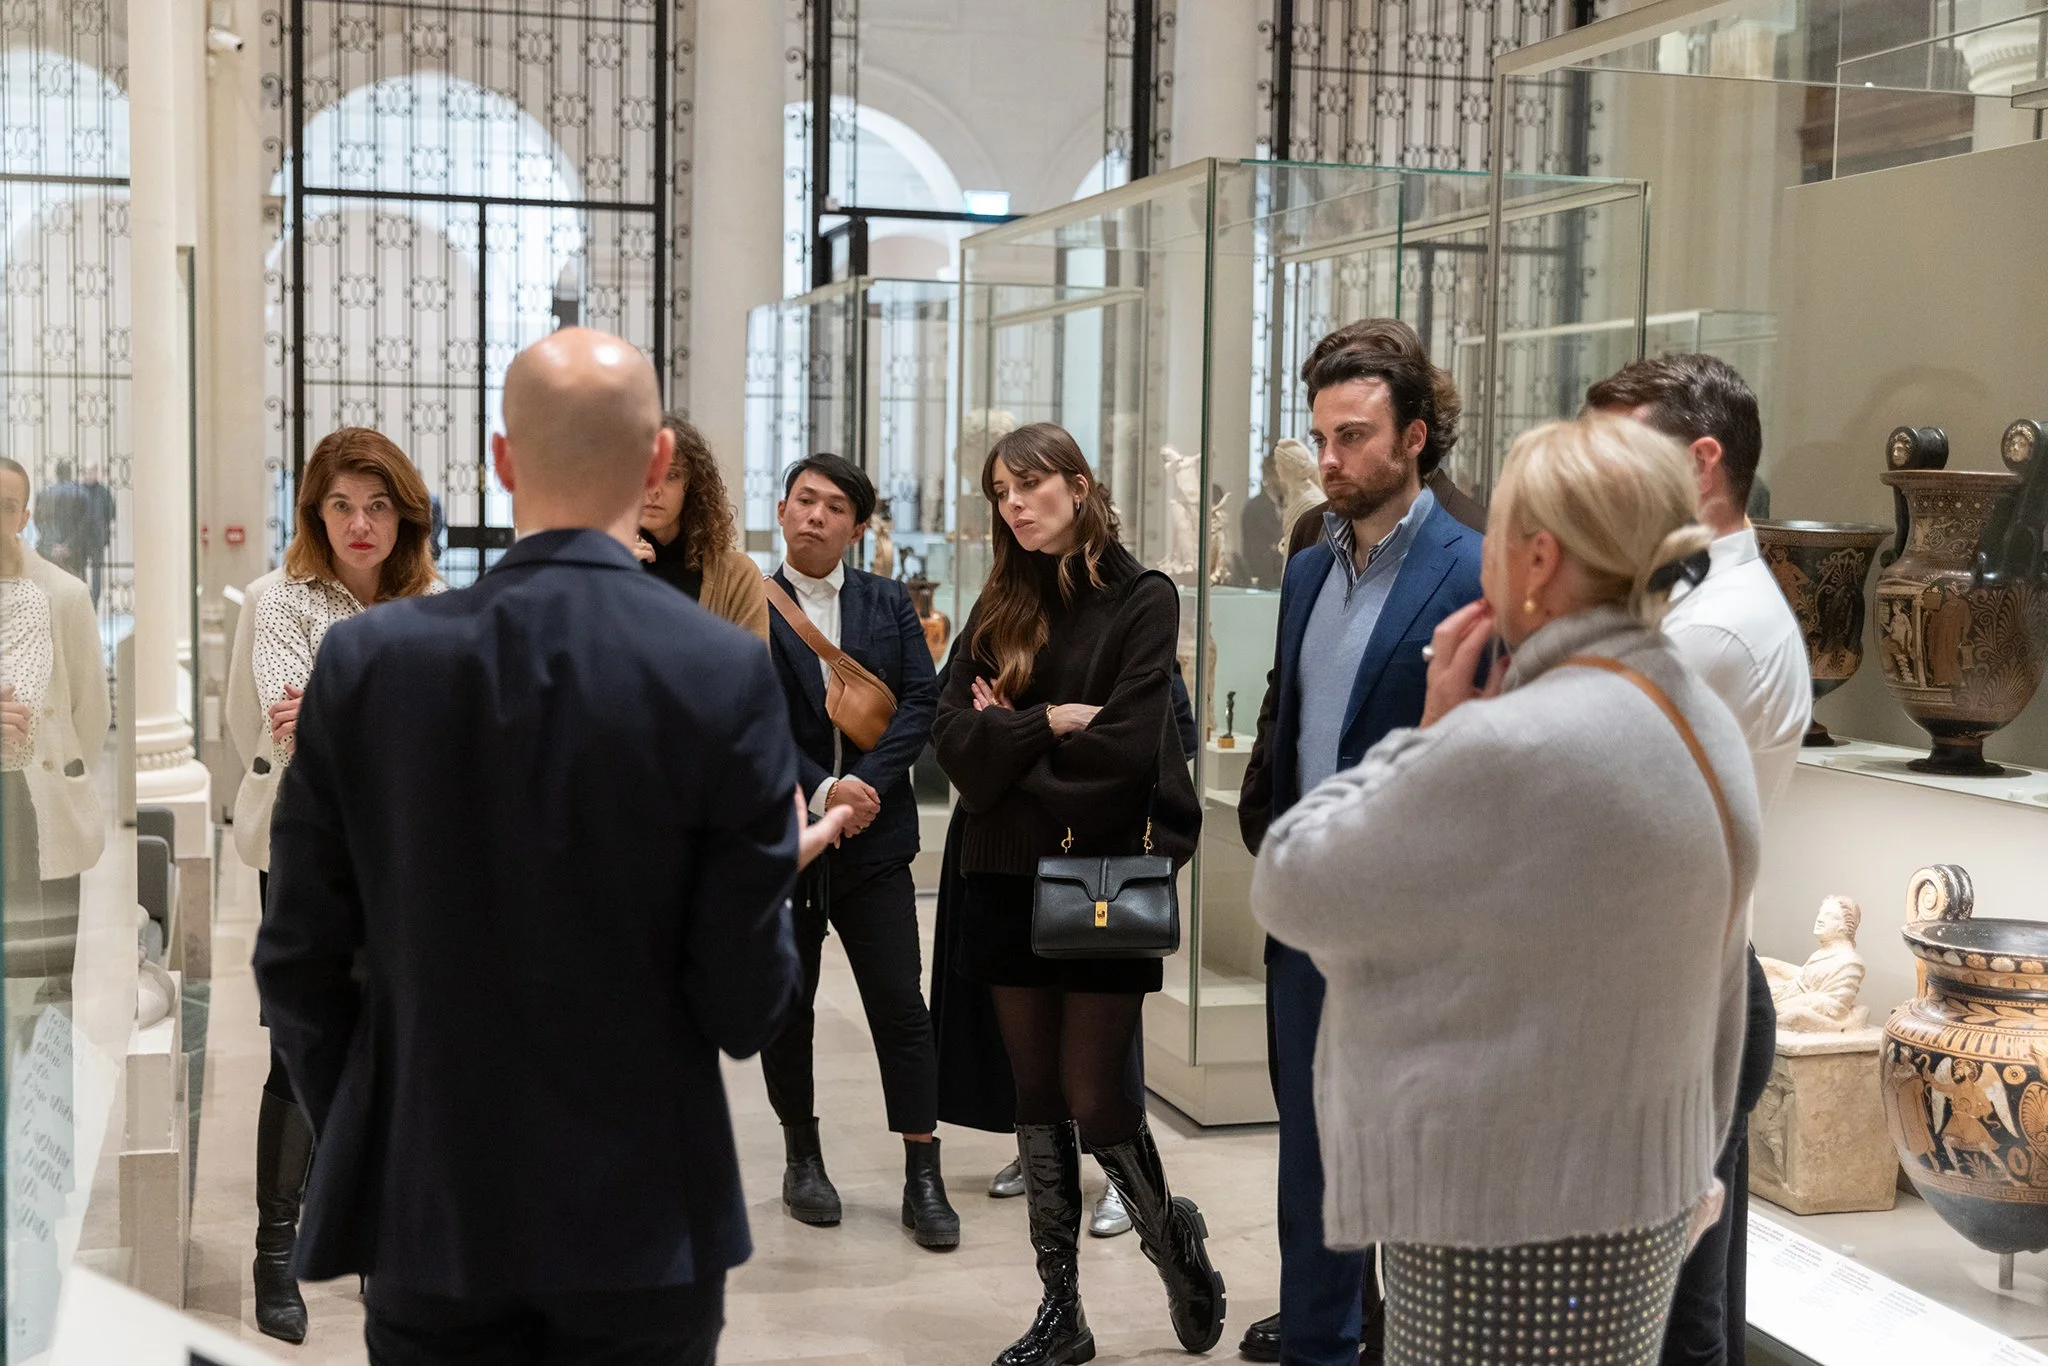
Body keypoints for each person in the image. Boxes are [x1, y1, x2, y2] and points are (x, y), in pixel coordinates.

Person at [253, 328, 849, 1364]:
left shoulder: (369, 662)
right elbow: (744, 1005)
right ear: (657, 460)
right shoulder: (717, 671)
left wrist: (384, 1121)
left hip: (429, 1203)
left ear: (501, 460)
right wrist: (767, 871)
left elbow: (297, 959)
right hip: (643, 1215)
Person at [1252, 412, 1761, 1366]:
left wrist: (1436, 729)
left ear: (1534, 562)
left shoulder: (1517, 742)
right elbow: (1727, 986)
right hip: (1643, 1191)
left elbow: (1293, 881)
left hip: (1504, 1201)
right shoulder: (1696, 715)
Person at [933, 421, 1223, 1366]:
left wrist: (1006, 748)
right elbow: (948, 736)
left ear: (1081, 485)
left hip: (1101, 873)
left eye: (1031, 486)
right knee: (1035, 1097)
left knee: (1099, 1098)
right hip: (1002, 878)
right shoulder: (997, 602)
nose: (1015, 507)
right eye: (1001, 494)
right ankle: (1063, 1310)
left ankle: (1174, 1244)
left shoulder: (1142, 599)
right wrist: (1047, 723)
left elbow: (1130, 750)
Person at [1236, 318, 1484, 1366]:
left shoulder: (1474, 572)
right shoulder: (1303, 567)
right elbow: (1288, 722)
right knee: (1312, 1169)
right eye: (1318, 435)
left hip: (1418, 937)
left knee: (1414, 1175)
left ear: (1414, 437)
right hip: (1307, 927)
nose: (1326, 460)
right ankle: (1318, 1346)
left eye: (1350, 437)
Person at [1587, 355, 1809, 1366]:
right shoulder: (1686, 600)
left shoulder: (1711, 626)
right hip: (1682, 988)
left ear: (1702, 461)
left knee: (1672, 1322)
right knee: (1678, 1307)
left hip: (1677, 1002)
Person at [234, 426, 444, 1345]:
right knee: (299, 1043)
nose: (361, 524)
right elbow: (293, 732)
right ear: (316, 513)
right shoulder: (280, 599)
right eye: (341, 505)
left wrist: (342, 704)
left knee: (392, 1044)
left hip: (408, 851)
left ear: (405, 515)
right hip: (309, 848)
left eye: (379, 505)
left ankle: (374, 1241)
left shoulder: (436, 602)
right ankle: (276, 1251)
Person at [759, 451, 957, 1247]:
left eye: (834, 506)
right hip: (792, 841)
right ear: (781, 512)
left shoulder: (885, 600)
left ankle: (923, 1172)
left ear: (856, 526)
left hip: (877, 841)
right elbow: (747, 711)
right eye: (803, 501)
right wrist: (823, 789)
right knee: (788, 1008)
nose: (815, 515)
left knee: (901, 1009)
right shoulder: (750, 602)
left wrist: (866, 783)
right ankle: (801, 1159)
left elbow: (921, 697)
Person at [0, 457, 108, 985]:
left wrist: (60, 767)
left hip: (42, 798)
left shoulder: (65, 594)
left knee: (48, 982)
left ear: (24, 516)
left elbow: (90, 712)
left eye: (7, 507)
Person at [631, 413, 769, 640]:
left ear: (693, 486)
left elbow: (751, 672)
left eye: (671, 475)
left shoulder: (737, 575)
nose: (654, 488)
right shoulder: (597, 567)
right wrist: (614, 573)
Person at [30, 460, 90, 581]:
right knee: (75, 587)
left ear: (56, 473)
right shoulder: (82, 493)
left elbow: (39, 521)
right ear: (71, 473)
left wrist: (52, 545)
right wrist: (69, 546)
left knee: (51, 585)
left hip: (50, 550)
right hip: (75, 551)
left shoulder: (45, 493)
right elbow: (85, 524)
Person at [79, 462, 113, 607]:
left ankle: (95, 600)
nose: (89, 474)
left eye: (92, 471)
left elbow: (111, 513)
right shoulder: (79, 490)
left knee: (96, 569)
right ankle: (84, 597)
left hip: (97, 537)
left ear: (96, 472)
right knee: (81, 568)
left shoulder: (103, 492)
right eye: (87, 471)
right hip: (82, 538)